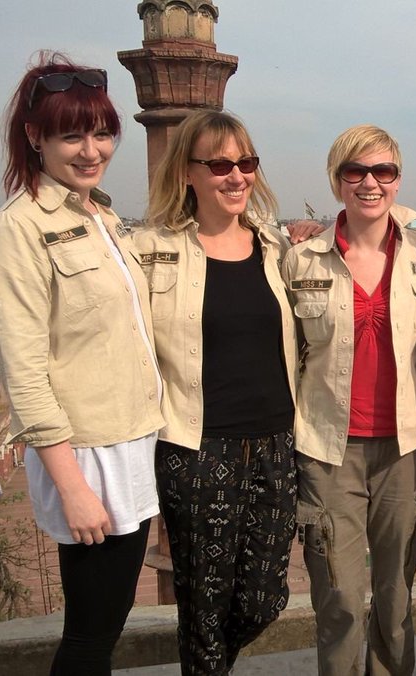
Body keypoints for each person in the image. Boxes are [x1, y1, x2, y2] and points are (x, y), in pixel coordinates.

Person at [0, 52, 163, 675]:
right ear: (35, 137)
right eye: (71, 134)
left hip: (131, 440)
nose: (92, 149)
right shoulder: (20, 228)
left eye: (102, 131)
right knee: (89, 637)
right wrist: (73, 488)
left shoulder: (100, 216)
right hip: (86, 456)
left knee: (104, 630)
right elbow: (24, 371)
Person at [134, 110, 300, 675]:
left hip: (276, 447)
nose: (236, 176)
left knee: (264, 599)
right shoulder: (152, 251)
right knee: (203, 609)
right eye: (221, 164)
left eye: (246, 163)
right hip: (198, 449)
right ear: (187, 172)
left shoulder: (275, 249)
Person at [283, 124, 416, 675]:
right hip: (330, 453)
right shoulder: (302, 261)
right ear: (337, 181)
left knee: (395, 604)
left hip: (406, 449)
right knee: (341, 602)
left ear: (398, 181)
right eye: (356, 171)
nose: (369, 183)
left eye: (383, 172)